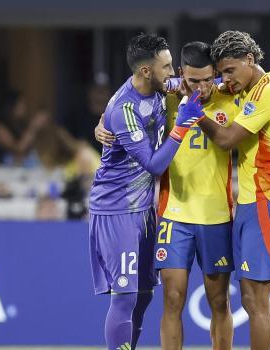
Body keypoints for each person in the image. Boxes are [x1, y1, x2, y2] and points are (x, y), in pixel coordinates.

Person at [95, 41, 270, 349]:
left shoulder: (229, 93)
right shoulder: (168, 96)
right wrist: (100, 123)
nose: (202, 87)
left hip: (217, 215)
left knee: (219, 302)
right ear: (181, 75)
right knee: (173, 299)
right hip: (174, 215)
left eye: (209, 79)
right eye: (194, 81)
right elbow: (126, 103)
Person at [87, 34, 204, 350]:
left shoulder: (157, 85)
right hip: (117, 210)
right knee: (124, 295)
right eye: (166, 67)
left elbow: (199, 84)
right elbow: (154, 165)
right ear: (146, 72)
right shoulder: (125, 110)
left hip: (143, 208)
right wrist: (181, 127)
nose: (172, 73)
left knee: (144, 293)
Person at [189, 30, 270, 350]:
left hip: (269, 202)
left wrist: (194, 114)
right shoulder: (245, 90)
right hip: (249, 203)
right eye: (222, 72)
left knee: (255, 298)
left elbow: (225, 139)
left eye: (230, 70)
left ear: (250, 61)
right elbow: (191, 86)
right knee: (253, 298)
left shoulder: (267, 92)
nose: (226, 79)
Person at [0, 90, 48, 167]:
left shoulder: (20, 125)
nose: (24, 107)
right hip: (3, 169)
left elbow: (33, 149)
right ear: (11, 106)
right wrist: (33, 127)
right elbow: (18, 149)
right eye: (20, 104)